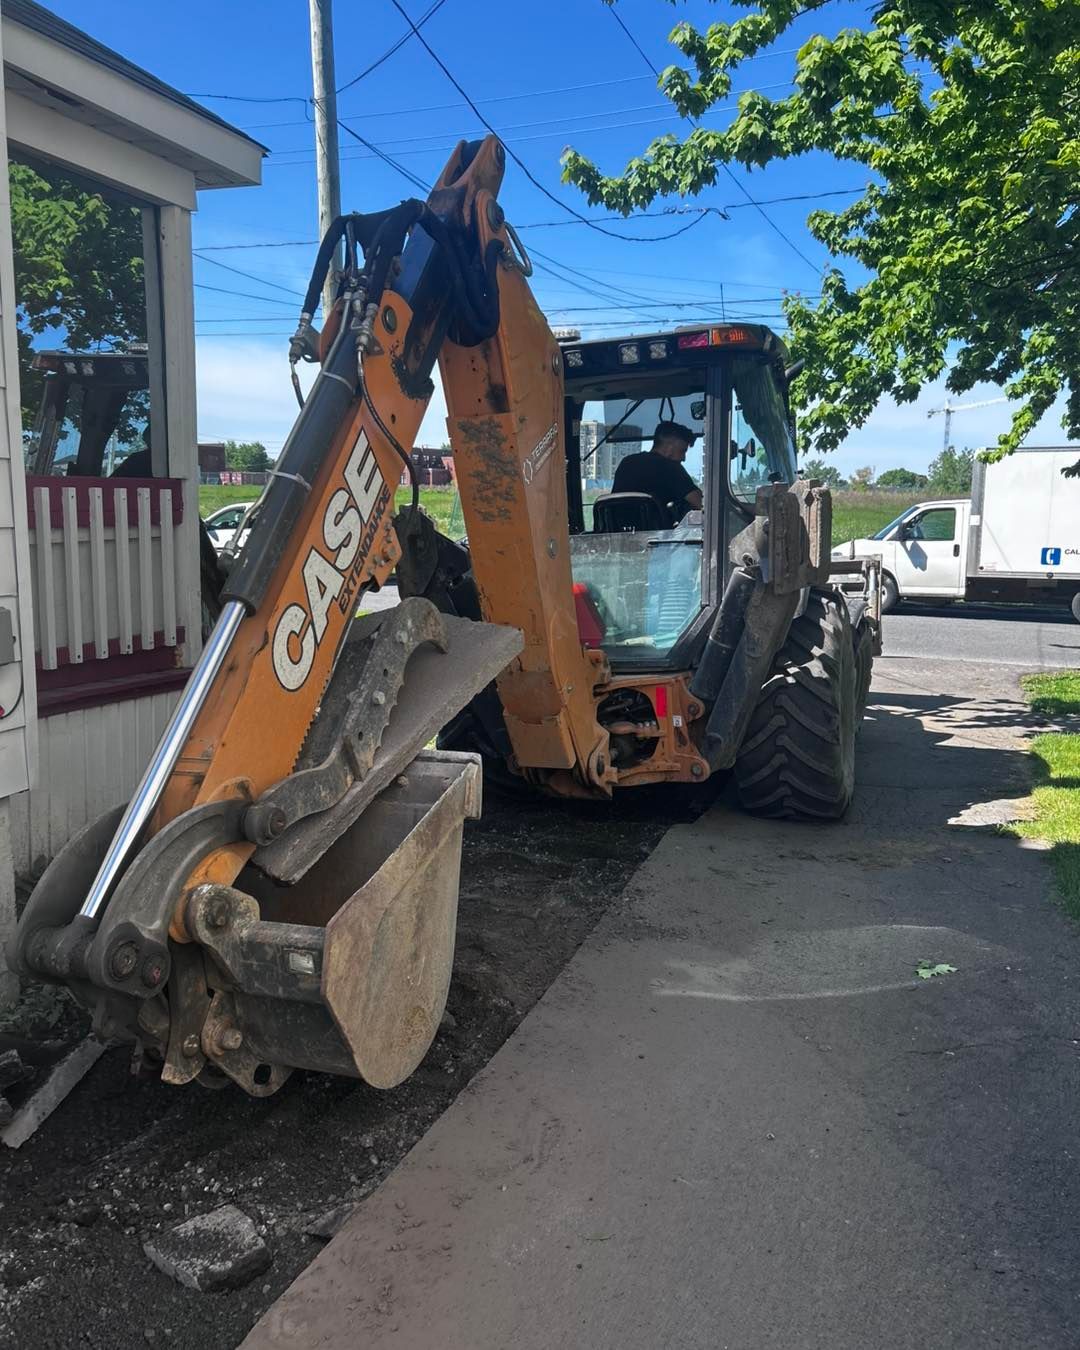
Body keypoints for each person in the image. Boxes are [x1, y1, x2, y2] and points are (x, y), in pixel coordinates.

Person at [612, 421, 703, 525]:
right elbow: (702, 504)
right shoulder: (671, 467)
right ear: (669, 447)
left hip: (614, 535)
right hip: (656, 537)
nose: (684, 458)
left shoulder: (626, 462)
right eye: (682, 451)